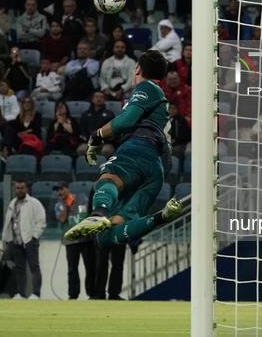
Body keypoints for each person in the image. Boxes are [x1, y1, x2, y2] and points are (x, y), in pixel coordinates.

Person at [64, 51, 183, 249]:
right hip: (157, 170)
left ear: (137, 69)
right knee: (106, 237)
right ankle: (162, 216)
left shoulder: (147, 86)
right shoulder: (158, 98)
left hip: (140, 148)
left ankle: (97, 213)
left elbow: (126, 121)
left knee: (107, 179)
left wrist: (97, 135)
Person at [2, 181, 46, 300]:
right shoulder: (12, 203)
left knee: (34, 267)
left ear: (27, 189)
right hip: (16, 240)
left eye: (22, 188)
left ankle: (36, 294)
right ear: (15, 190)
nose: (20, 190)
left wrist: (34, 236)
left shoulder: (34, 203)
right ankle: (21, 294)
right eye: (17, 188)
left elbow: (41, 221)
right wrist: (7, 238)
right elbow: (8, 222)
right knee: (20, 269)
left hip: (29, 240)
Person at [54, 181, 96, 300]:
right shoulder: (58, 205)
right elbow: (62, 220)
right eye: (57, 191)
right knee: (72, 269)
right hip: (71, 241)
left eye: (61, 189)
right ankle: (73, 294)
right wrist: (67, 207)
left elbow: (91, 210)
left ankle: (92, 293)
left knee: (90, 267)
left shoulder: (83, 198)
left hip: (86, 239)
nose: (59, 192)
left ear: (68, 189)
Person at [77, 91, 115, 158]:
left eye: (101, 97)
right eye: (97, 97)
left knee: (106, 151)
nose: (99, 99)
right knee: (81, 150)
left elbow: (111, 130)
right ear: (92, 99)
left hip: (105, 142)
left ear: (104, 100)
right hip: (88, 141)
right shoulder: (85, 114)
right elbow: (82, 129)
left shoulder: (110, 114)